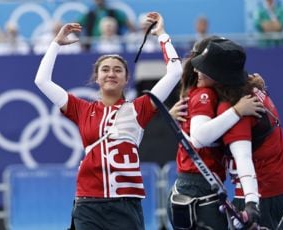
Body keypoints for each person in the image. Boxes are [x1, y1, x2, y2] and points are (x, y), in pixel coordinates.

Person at [35, 12, 182, 230]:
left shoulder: (139, 108)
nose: (111, 74)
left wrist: (161, 34)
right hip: (88, 204)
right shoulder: (81, 109)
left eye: (117, 70)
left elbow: (175, 71)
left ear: (126, 78)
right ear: (96, 77)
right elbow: (42, 81)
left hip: (126, 204)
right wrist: (56, 43)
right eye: (105, 69)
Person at [191, 39, 283, 229]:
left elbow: (243, 158)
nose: (197, 71)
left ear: (219, 75)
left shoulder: (235, 107)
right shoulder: (254, 89)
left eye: (204, 68)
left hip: (262, 196)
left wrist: (251, 204)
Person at [166, 37, 265, 229]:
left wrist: (251, 83)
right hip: (197, 189)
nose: (196, 68)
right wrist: (237, 111)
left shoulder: (209, 91)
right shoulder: (205, 94)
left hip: (196, 187)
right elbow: (199, 138)